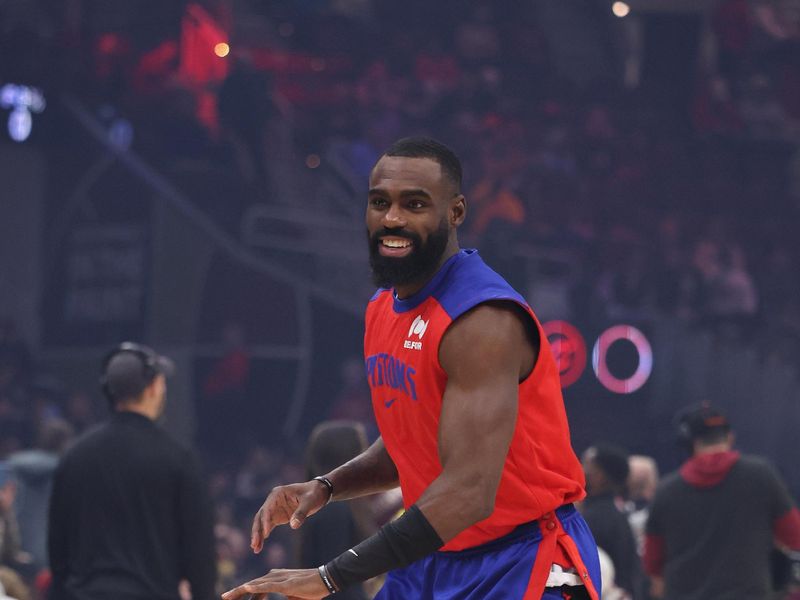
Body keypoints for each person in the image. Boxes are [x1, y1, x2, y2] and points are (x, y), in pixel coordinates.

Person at [223, 136, 601, 600]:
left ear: (456, 213)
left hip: (521, 557)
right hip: (438, 555)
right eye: (380, 202)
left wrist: (328, 577)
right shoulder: (383, 307)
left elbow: (468, 491)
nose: (392, 218)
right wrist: (326, 486)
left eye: (414, 204)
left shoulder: (482, 321)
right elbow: (411, 441)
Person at [47, 342, 217, 600]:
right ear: (154, 388)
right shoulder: (178, 459)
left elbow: (58, 549)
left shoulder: (75, 456)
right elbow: (199, 553)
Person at [643, 404, 800, 599]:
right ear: (730, 437)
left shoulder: (665, 491)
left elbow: (652, 561)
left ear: (688, 444)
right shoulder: (761, 475)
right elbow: (794, 535)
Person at [580, 444, 642, 599]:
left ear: (600, 476)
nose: (580, 471)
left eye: (587, 466)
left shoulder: (597, 518)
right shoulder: (617, 513)